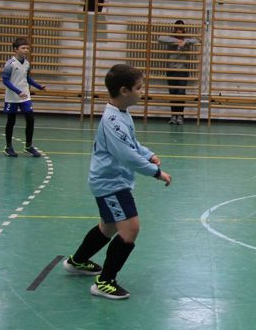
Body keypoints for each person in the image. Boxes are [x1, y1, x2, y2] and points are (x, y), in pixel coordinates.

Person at [61, 64, 172, 299]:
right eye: (138, 88)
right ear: (124, 90)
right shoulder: (113, 120)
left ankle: (77, 261)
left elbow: (131, 142)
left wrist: (148, 153)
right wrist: (155, 172)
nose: (141, 92)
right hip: (111, 184)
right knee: (130, 229)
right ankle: (105, 282)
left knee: (109, 226)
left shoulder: (121, 113)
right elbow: (126, 154)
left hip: (111, 181)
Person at [2, 37, 45, 157]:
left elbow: (27, 78)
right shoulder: (10, 64)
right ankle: (8, 147)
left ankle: (28, 146)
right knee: (11, 121)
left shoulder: (26, 63)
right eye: (23, 48)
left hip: (25, 96)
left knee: (30, 119)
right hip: (12, 97)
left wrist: (39, 86)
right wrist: (17, 91)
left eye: (27, 48)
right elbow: (5, 80)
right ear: (15, 49)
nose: (26, 50)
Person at [158, 20, 198, 125]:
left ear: (184, 29)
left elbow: (197, 40)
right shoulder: (170, 39)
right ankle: (173, 116)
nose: (179, 30)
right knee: (172, 93)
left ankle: (180, 116)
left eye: (181, 28)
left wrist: (185, 41)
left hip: (183, 71)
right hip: (171, 70)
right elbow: (160, 39)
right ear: (174, 29)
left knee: (181, 93)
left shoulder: (187, 40)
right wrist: (177, 41)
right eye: (177, 28)